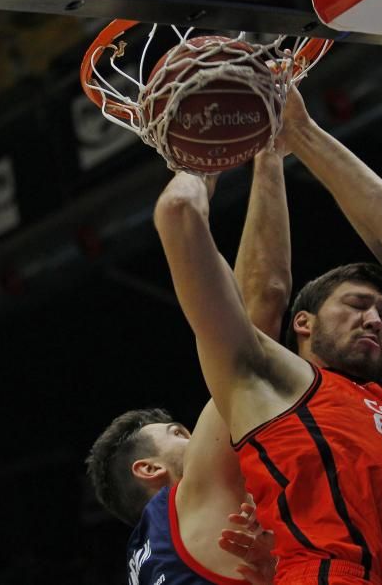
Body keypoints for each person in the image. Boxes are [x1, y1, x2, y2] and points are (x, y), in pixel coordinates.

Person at [154, 85, 382, 584]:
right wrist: (204, 148)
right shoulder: (266, 387)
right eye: (356, 305)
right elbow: (179, 215)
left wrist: (301, 133)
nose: (375, 319)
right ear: (303, 324)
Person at [86, 149, 292, 585]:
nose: (198, 437)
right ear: (149, 469)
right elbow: (261, 307)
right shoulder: (187, 499)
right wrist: (267, 153)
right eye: (180, 433)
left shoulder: (145, 561)